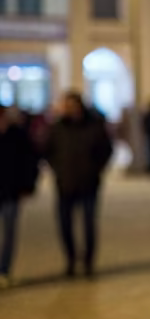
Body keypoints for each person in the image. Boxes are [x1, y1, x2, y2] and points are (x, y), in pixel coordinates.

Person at [43, 91, 113, 277]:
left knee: (89, 226)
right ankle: (71, 260)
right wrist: (57, 169)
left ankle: (88, 262)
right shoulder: (57, 128)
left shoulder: (94, 127)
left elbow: (106, 150)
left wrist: (96, 169)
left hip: (89, 184)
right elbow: (48, 151)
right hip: (65, 184)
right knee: (65, 226)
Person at [0, 106, 41, 288]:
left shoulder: (18, 135)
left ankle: (4, 270)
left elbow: (30, 161)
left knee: (9, 233)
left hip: (11, 192)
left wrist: (28, 186)